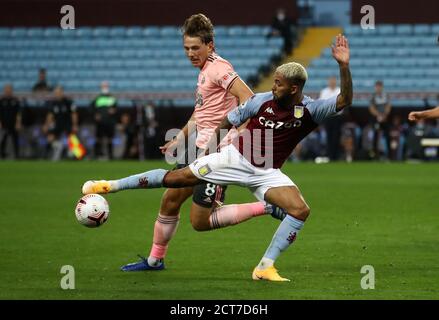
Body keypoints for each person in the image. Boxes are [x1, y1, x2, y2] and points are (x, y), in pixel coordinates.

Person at [82, 34, 352, 281]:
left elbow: (344, 101)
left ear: (294, 89)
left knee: (300, 210)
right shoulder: (260, 101)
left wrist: (343, 66)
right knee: (175, 180)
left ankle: (264, 267)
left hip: (268, 171)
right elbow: (228, 120)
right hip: (234, 159)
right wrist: (210, 152)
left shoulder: (310, 110)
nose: (273, 87)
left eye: (278, 84)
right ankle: (111, 185)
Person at [83, 14, 286, 272]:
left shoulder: (219, 68)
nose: (190, 53)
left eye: (195, 48)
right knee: (169, 201)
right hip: (199, 149)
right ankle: (155, 260)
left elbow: (249, 99)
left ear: (210, 45)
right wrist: (179, 137)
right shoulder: (204, 70)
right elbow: (202, 111)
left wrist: (238, 136)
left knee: (200, 222)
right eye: (186, 48)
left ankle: (268, 206)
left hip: (216, 154)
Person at [43, 86, 78, 161]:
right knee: (50, 138)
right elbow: (50, 115)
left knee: (72, 138)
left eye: (59, 92)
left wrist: (75, 125)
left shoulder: (68, 102)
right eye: (56, 93)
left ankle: (76, 155)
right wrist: (46, 125)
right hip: (57, 124)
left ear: (62, 93)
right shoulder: (52, 103)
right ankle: (48, 154)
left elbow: (74, 114)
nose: (57, 94)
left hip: (67, 123)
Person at [91, 81, 117, 160]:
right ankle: (97, 154)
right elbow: (91, 108)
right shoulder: (97, 97)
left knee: (110, 139)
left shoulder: (112, 97)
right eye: (103, 86)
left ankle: (110, 155)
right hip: (100, 122)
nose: (105, 88)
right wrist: (95, 114)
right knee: (99, 138)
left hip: (110, 121)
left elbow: (116, 108)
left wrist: (114, 110)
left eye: (106, 86)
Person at [320, 76, 342, 161]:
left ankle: (336, 156)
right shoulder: (324, 92)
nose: (332, 82)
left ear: (336, 82)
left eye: (333, 81)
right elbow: (321, 104)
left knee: (336, 137)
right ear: (328, 82)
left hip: (337, 117)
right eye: (331, 81)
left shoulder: (339, 91)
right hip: (328, 117)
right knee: (328, 136)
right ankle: (330, 156)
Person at [368, 80, 392, 160]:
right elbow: (371, 108)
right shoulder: (373, 96)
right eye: (377, 87)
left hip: (385, 119)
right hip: (376, 119)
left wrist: (384, 115)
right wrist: (378, 115)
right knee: (375, 136)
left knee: (388, 136)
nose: (378, 88)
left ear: (382, 87)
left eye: (379, 87)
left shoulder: (385, 96)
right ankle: (375, 155)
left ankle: (389, 155)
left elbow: (388, 106)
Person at [0, 84, 21, 159]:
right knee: (3, 141)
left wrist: (18, 123)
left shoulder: (15, 100)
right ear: (4, 91)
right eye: (6, 89)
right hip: (4, 124)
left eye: (9, 89)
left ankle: (17, 156)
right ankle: (2, 155)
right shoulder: (1, 101)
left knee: (15, 140)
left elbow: (18, 113)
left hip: (13, 123)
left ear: (11, 91)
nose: (8, 91)